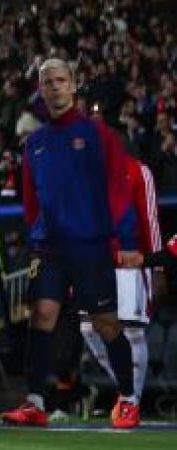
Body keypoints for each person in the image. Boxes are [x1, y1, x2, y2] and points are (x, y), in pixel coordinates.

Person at [2, 58, 145, 430]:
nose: (54, 87)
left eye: (61, 80)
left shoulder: (99, 135)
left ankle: (128, 399)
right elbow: (30, 200)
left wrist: (126, 239)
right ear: (41, 90)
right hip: (50, 248)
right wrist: (37, 234)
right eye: (47, 82)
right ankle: (35, 402)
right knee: (42, 315)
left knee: (106, 325)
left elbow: (120, 188)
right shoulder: (34, 144)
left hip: (91, 246)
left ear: (74, 85)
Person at [79, 155, 159, 414]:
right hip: (95, 261)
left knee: (133, 332)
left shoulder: (137, 170)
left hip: (129, 259)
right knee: (89, 329)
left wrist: (155, 264)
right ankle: (126, 391)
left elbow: (149, 217)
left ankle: (130, 402)